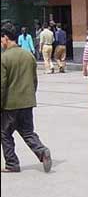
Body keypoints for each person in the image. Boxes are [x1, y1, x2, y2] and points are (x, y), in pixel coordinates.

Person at [1, 23, 52, 173]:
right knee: (28, 132)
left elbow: (2, 85)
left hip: (10, 104)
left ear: (6, 38)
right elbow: (34, 80)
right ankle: (42, 151)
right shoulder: (29, 56)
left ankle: (12, 163)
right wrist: (30, 96)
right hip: (27, 102)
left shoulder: (4, 58)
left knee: (5, 133)